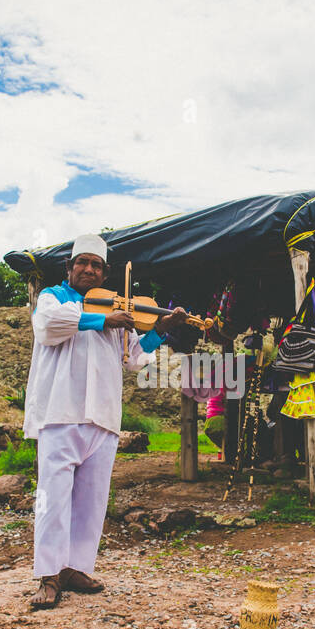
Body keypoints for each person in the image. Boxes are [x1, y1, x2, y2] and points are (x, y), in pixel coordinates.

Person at [23, 233, 186, 609]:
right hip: (61, 414)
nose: (89, 269)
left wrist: (162, 329)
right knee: (53, 498)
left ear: (104, 272)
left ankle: (74, 568)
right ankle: (47, 576)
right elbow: (47, 326)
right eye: (83, 262)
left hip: (104, 417)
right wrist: (102, 319)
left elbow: (133, 356)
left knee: (91, 501)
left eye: (97, 265)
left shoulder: (117, 312)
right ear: (70, 267)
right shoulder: (54, 298)